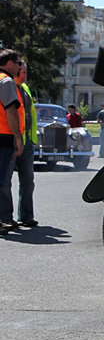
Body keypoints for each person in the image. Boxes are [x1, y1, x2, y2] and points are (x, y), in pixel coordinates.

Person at [1, 60, 36, 227]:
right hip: (10, 138)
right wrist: (16, 136)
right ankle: (6, 218)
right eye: (20, 72)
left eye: (25, 73)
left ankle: (27, 216)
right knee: (5, 180)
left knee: (28, 180)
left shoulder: (25, 89)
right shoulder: (7, 86)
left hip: (26, 139)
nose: (22, 75)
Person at [0, 49, 25, 234]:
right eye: (18, 63)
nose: (19, 66)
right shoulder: (6, 81)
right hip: (3, 137)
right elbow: (10, 110)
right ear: (9, 63)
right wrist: (18, 136)